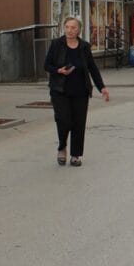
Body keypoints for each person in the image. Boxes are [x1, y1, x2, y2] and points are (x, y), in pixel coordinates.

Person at [44, 16, 109, 167]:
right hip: (60, 90)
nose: (69, 30)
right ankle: (62, 147)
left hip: (80, 91)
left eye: (73, 27)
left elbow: (92, 68)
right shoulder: (56, 44)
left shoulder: (84, 46)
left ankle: (75, 155)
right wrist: (59, 70)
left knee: (79, 123)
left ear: (79, 30)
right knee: (64, 120)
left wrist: (102, 87)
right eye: (67, 27)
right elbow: (46, 65)